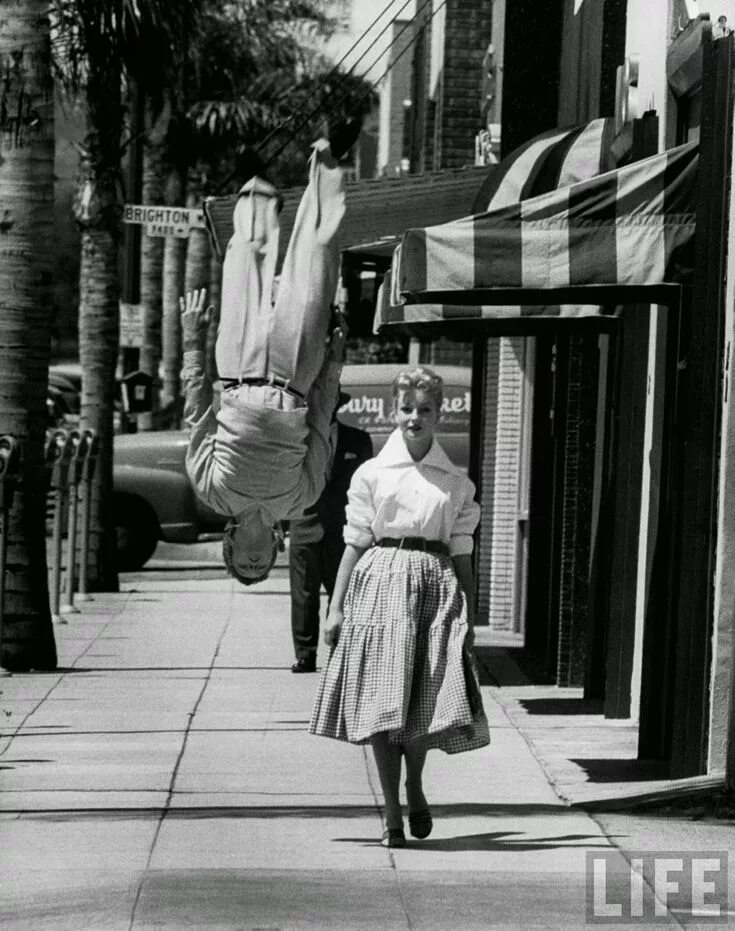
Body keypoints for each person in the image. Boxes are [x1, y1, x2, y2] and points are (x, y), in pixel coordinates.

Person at [309, 366, 490, 848]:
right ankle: (392, 813)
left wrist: (469, 615)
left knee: (421, 702)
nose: (414, 418)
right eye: (407, 409)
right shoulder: (371, 474)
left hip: (435, 588)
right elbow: (354, 543)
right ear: (395, 410)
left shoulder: (455, 483)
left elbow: (462, 553)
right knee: (381, 705)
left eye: (425, 410)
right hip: (379, 586)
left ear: (439, 414)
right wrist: (336, 607)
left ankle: (414, 784)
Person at [180, 120, 361, 586]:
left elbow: (197, 414)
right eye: (261, 568)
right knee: (318, 255)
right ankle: (328, 156)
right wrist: (334, 360)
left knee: (249, 253)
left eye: (245, 565)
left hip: (237, 367)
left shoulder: (211, 493)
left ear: (230, 548)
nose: (256, 562)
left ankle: (255, 182)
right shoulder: (301, 500)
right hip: (294, 374)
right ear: (278, 551)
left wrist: (191, 340)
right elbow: (322, 424)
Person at [289, 397, 373, 673]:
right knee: (303, 593)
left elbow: (369, 488)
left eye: (332, 401)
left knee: (342, 591)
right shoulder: (297, 439)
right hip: (304, 523)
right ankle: (305, 653)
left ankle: (338, 649)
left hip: (343, 529)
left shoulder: (359, 440)